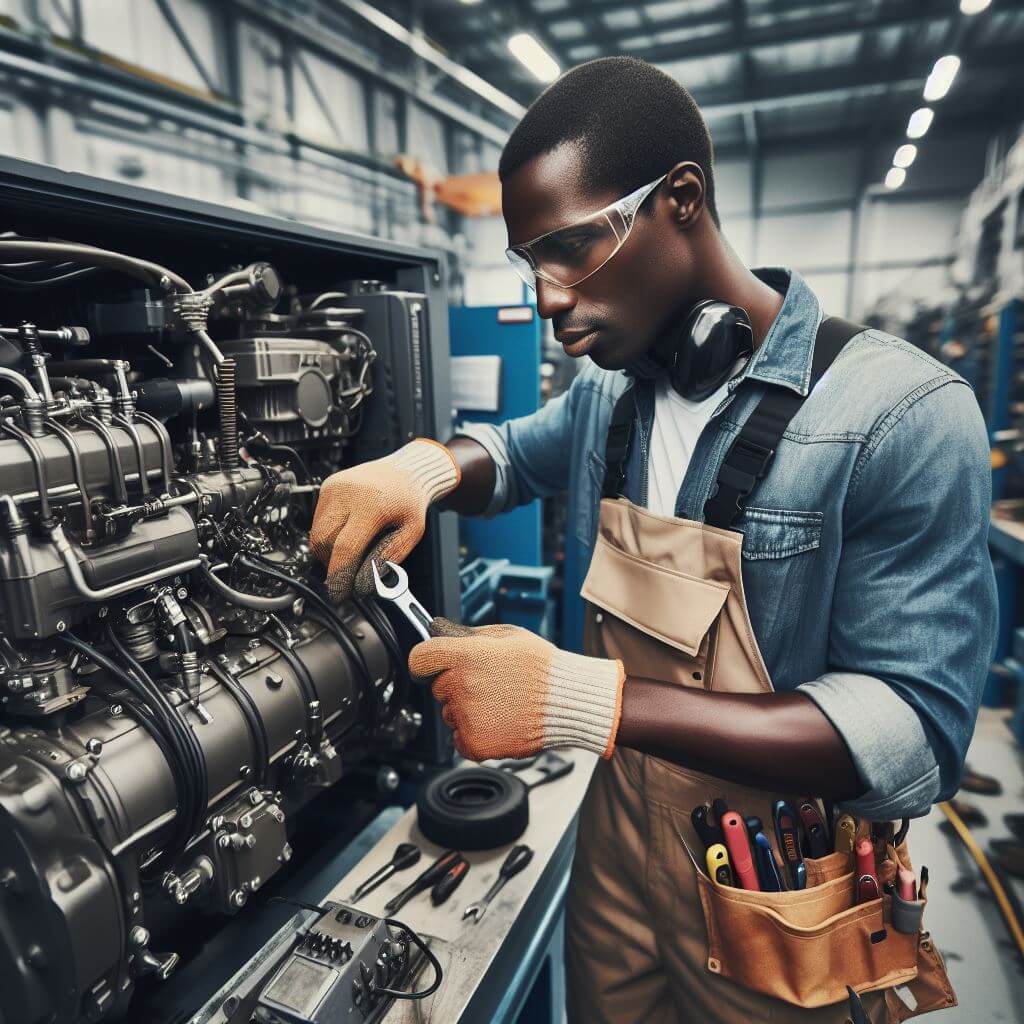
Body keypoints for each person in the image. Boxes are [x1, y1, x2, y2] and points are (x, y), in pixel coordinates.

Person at [311, 57, 996, 1023]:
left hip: (780, 897)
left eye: (570, 248)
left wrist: (586, 700)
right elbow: (510, 453)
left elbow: (911, 729)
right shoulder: (613, 399)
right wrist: (424, 468)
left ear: (681, 200)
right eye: (529, 261)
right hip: (618, 863)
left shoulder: (899, 414)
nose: (547, 296)